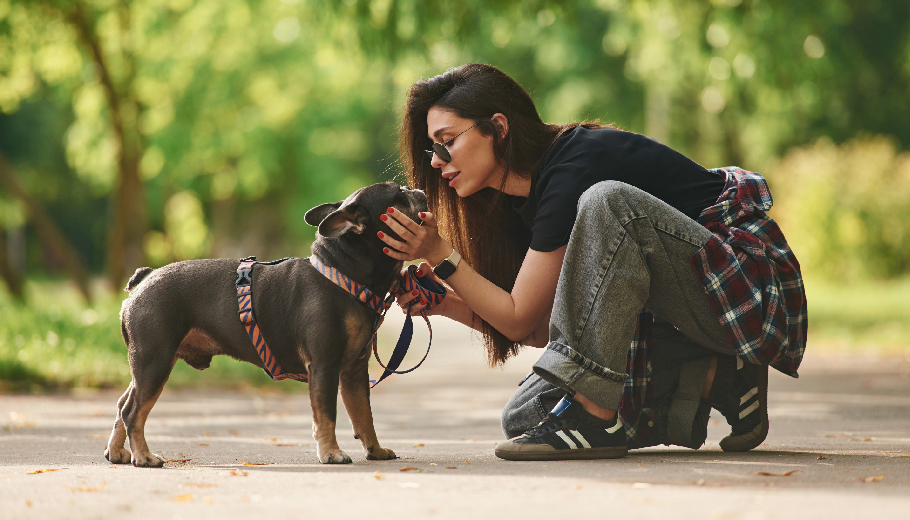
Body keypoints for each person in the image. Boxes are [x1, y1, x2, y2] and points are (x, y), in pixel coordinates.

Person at [377, 63, 807, 461]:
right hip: (695, 310)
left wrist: (440, 255)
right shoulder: (519, 201)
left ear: (499, 128)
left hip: (747, 292)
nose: (436, 161)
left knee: (608, 201)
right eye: (433, 148)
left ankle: (595, 418)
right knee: (525, 417)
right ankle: (723, 378)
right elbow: (543, 327)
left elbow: (519, 315)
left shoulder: (576, 167)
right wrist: (447, 304)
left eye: (447, 142)